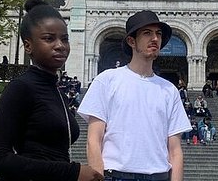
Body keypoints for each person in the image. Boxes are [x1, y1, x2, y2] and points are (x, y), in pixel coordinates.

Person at [0, 0, 103, 181]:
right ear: (28, 46)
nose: (60, 46)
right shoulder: (20, 88)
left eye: (65, 39)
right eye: (49, 39)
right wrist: (73, 171)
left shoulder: (58, 92)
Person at [77, 10, 191, 181]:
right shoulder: (106, 80)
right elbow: (94, 140)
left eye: (158, 34)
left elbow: (175, 151)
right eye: (147, 33)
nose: (155, 39)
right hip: (115, 175)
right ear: (131, 41)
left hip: (158, 176)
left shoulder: (169, 90)